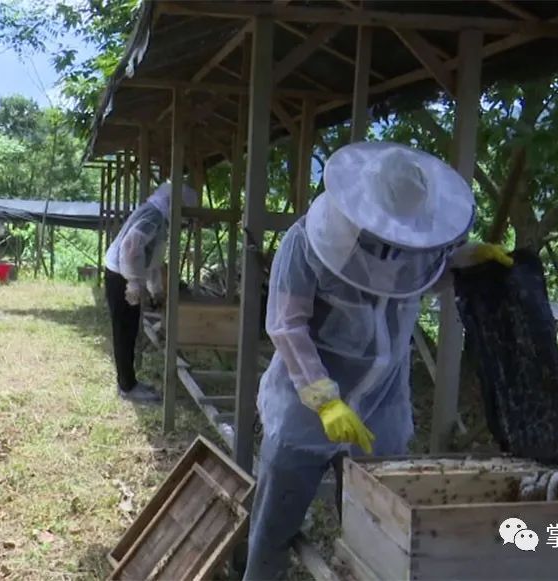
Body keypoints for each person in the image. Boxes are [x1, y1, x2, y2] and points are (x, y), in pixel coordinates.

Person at [243, 141, 513, 579]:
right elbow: (287, 325)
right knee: (277, 517)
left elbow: (417, 280)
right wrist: (323, 400)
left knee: (372, 526)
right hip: (305, 409)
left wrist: (465, 261)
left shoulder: (416, 241)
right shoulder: (307, 241)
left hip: (382, 402)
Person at [103, 180, 199, 403]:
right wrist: (134, 283)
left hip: (123, 274)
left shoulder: (157, 215)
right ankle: (127, 387)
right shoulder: (154, 216)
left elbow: (152, 259)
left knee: (129, 328)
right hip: (121, 276)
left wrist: (155, 289)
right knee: (124, 331)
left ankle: (129, 382)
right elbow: (130, 248)